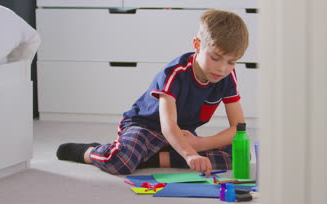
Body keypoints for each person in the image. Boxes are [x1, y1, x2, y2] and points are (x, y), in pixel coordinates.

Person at [56, 9, 249, 177]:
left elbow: (238, 129)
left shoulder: (227, 77)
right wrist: (190, 153)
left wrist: (199, 144)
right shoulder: (175, 73)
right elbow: (167, 125)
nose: (223, 68)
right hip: (146, 127)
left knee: (241, 154)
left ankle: (150, 159)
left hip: (181, 136)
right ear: (197, 45)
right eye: (215, 58)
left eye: (231, 62)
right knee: (121, 162)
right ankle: (92, 151)